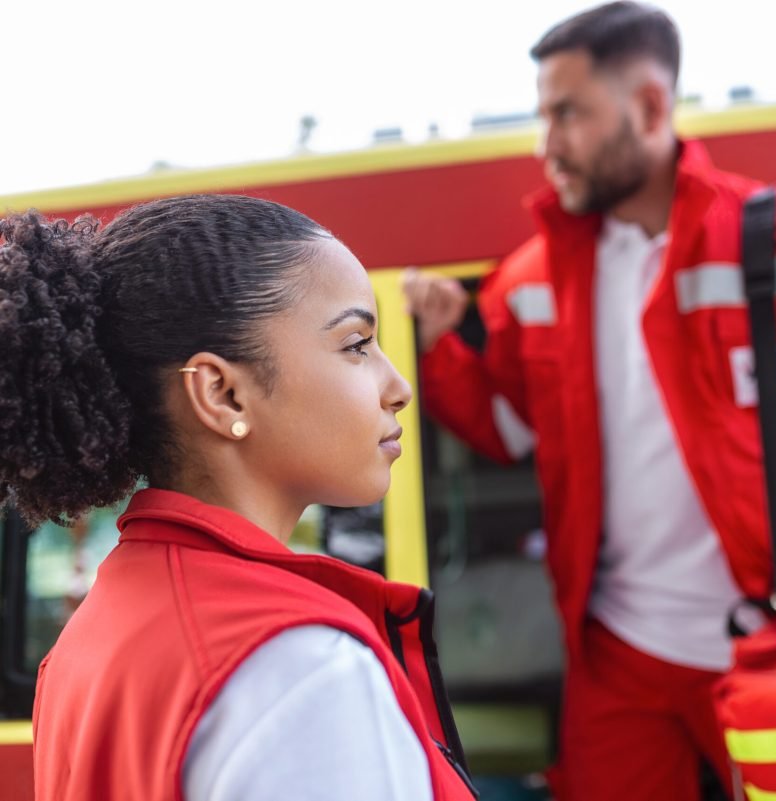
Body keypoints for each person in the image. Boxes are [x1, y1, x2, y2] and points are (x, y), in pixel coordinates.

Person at [403, 3, 776, 800]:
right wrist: (441, 344)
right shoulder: (532, 280)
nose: (545, 144)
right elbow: (508, 429)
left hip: (775, 643)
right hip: (617, 654)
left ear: (650, 107)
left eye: (567, 113)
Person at [0, 195, 478, 801]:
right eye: (357, 344)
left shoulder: (86, 640)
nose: (399, 386)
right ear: (222, 394)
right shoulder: (303, 668)